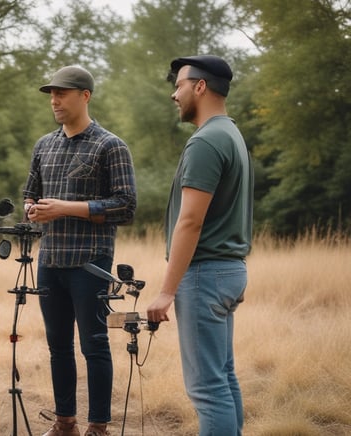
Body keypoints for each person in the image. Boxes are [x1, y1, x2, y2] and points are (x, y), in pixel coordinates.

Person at [23, 65, 137, 436]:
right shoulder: (44, 144)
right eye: (51, 94)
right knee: (58, 346)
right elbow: (31, 192)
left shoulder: (110, 145)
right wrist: (31, 208)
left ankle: (98, 426)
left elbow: (126, 206)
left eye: (62, 93)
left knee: (94, 344)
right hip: (50, 260)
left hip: (91, 263)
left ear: (84, 96)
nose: (54, 100)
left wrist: (66, 208)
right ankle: (65, 422)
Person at [147, 55, 253, 436]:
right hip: (229, 271)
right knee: (223, 377)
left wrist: (165, 292)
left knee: (207, 389)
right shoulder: (231, 134)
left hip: (204, 274)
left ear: (200, 86)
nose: (174, 94)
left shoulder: (206, 141)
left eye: (178, 85)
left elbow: (190, 221)